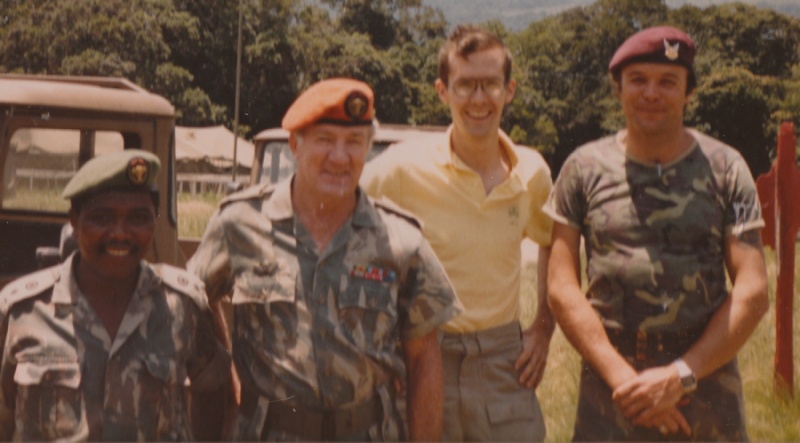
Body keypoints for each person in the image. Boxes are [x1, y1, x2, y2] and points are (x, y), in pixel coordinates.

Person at [188, 78, 461, 441]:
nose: (340, 156)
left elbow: (424, 360)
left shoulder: (400, 240)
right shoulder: (239, 224)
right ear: (294, 145)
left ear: (368, 149)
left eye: (354, 143)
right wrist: (225, 374)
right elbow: (189, 302)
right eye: (324, 140)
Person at [545, 25, 770, 441]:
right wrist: (623, 380)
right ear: (618, 88)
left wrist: (680, 375)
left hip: (705, 379)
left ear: (688, 92)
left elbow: (753, 289)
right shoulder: (582, 168)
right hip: (610, 379)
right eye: (638, 80)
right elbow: (561, 286)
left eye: (668, 82)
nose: (652, 93)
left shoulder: (726, 169)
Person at [362, 24, 555, 441]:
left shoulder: (533, 172)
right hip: (423, 356)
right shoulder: (401, 168)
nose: (479, 99)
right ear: (442, 91)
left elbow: (552, 243)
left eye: (490, 84)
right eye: (465, 85)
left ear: (510, 90)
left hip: (503, 361)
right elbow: (343, 216)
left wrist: (543, 327)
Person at [0, 149, 231, 441]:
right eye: (102, 217)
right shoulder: (22, 310)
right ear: (74, 221)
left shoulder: (183, 305)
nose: (120, 233)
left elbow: (213, 388)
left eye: (138, 218)